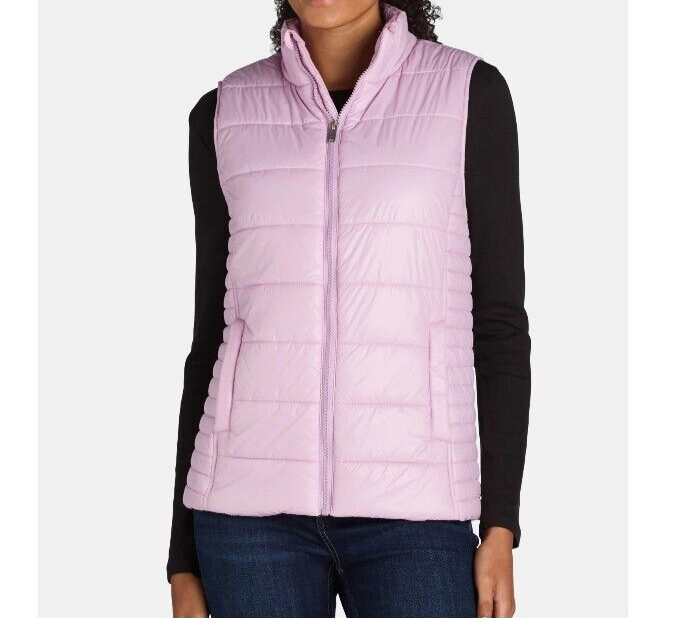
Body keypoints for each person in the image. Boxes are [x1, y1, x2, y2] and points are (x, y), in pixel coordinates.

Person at [168, 1, 530, 616]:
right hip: (245, 520)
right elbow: (212, 339)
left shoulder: (468, 93)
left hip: (416, 515)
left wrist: (501, 523)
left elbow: (499, 324)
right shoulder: (225, 112)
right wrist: (181, 555)